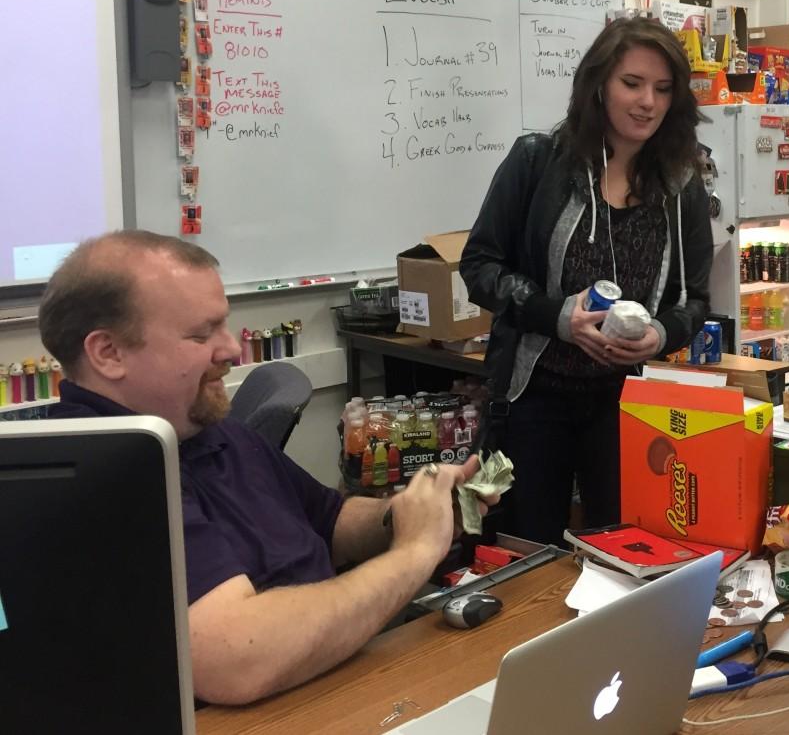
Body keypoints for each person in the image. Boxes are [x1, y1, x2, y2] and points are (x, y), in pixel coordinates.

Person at [38, 230, 493, 706]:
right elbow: (236, 662)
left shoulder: (205, 425)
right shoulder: (104, 474)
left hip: (333, 682)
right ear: (108, 353)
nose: (232, 351)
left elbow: (330, 520)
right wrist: (416, 550)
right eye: (200, 334)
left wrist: (413, 512)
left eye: (224, 326)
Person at [460, 17, 713, 546]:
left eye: (663, 89)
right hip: (534, 400)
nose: (648, 101)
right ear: (598, 84)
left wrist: (660, 336)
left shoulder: (679, 185)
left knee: (624, 549)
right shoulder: (537, 161)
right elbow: (480, 265)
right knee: (527, 552)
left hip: (625, 404)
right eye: (632, 83)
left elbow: (694, 302)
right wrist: (557, 318)